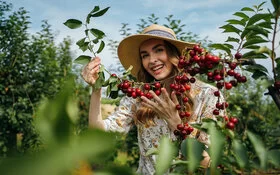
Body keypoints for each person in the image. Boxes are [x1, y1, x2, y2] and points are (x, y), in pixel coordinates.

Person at [82, 24, 221, 174]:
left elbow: (210, 165)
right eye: (145, 55)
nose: (152, 60)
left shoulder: (208, 95)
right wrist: (96, 88)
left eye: (159, 50)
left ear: (174, 54)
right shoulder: (140, 97)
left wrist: (176, 125)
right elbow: (100, 134)